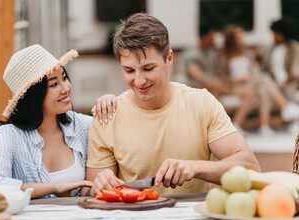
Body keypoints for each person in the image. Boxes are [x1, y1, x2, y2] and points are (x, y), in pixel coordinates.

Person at [81, 13, 261, 197]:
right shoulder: (108, 115)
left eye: (148, 68)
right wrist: (99, 184)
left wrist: (195, 167)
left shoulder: (201, 103)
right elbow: (91, 192)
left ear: (169, 59)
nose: (139, 80)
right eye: (128, 70)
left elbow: (251, 168)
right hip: (133, 219)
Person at [0, 44, 116, 198]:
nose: (66, 88)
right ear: (33, 96)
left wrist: (112, 102)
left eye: (64, 78)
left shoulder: (84, 126)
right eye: (54, 84)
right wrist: (54, 187)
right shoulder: (8, 135)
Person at [220, 24, 299, 136]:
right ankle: (285, 106)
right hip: (236, 86)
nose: (242, 38)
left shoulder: (247, 53)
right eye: (239, 36)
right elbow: (222, 77)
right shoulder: (224, 57)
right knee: (264, 77)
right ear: (232, 39)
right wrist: (236, 80)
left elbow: (253, 70)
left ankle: (264, 126)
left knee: (263, 88)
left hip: (251, 83)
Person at [181, 24, 231, 99]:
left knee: (216, 87)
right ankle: (232, 91)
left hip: (211, 85)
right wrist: (213, 82)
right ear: (203, 37)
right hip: (196, 85)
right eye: (211, 37)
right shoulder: (191, 53)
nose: (213, 40)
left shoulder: (211, 52)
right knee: (215, 88)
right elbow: (196, 74)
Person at [260, 18, 299, 102]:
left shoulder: (294, 47)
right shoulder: (270, 48)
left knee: (290, 88)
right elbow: (264, 63)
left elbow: (296, 64)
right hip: (273, 81)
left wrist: (292, 75)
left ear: (283, 34)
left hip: (289, 80)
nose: (274, 36)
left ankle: (291, 110)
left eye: (276, 34)